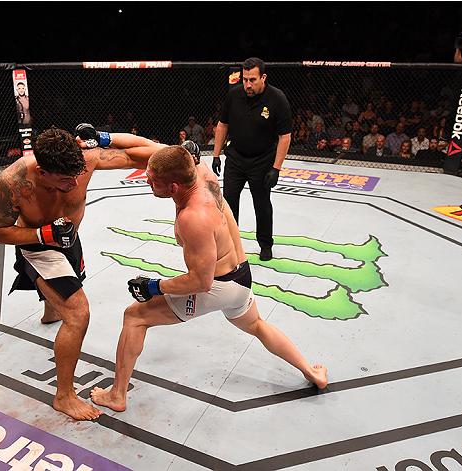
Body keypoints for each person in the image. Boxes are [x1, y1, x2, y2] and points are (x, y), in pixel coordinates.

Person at [90, 145, 328, 413]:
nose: (147, 181)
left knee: (135, 317)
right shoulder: (203, 177)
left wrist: (154, 287)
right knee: (257, 326)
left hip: (218, 287)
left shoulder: (194, 217)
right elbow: (158, 148)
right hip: (241, 277)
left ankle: (117, 395)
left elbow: (201, 282)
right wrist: (105, 138)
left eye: (153, 180)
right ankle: (312, 372)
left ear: (174, 187)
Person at [0, 125, 162, 420]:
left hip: (70, 239)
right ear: (42, 172)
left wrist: (176, 155)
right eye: (64, 180)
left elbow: (138, 157)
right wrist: (44, 234)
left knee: (61, 303)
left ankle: (51, 311)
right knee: (78, 313)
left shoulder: (85, 159)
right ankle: (64, 395)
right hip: (39, 244)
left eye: (76, 175)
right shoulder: (13, 182)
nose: (74, 183)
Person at [211, 57, 292, 262]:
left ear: (263, 77)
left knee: (262, 203)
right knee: (228, 201)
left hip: (263, 160)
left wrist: (276, 167)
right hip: (236, 157)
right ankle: (229, 244)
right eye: (245, 79)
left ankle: (265, 244)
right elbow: (222, 125)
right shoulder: (234, 95)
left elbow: (285, 136)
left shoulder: (277, 99)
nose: (248, 84)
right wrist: (216, 154)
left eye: (252, 80)